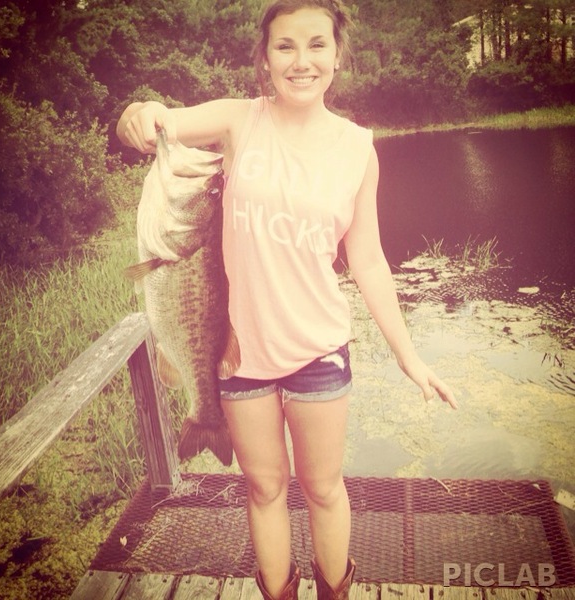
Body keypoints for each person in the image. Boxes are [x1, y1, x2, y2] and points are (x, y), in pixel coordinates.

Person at [117, 1, 458, 598]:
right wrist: (140, 114)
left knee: (323, 489)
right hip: (238, 356)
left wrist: (409, 356)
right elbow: (158, 121)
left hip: (319, 351)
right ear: (265, 57)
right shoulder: (238, 120)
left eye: (316, 44)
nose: (302, 60)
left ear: (337, 54)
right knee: (265, 488)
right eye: (285, 46)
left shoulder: (358, 148)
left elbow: (368, 260)